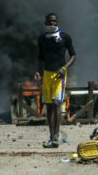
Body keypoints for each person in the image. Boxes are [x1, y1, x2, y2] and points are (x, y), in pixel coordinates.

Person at [34, 13, 76, 148]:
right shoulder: (42, 38)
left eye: (54, 21)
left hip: (60, 75)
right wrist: (38, 71)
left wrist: (64, 68)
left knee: (57, 103)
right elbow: (40, 57)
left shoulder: (65, 37)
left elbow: (73, 55)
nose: (52, 24)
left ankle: (56, 137)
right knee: (49, 105)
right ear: (45, 22)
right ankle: (51, 137)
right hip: (46, 74)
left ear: (57, 22)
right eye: (50, 21)